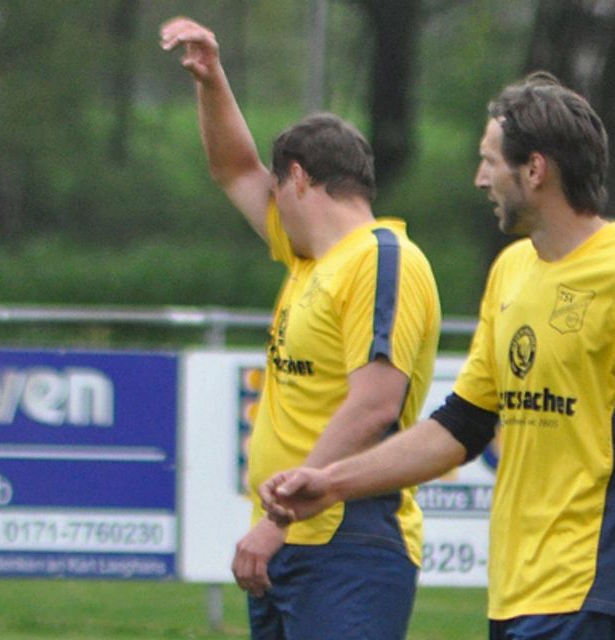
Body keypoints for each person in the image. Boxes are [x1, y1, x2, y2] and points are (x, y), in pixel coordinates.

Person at [260, 72, 615, 640]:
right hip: (515, 597)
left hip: (597, 595)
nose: (480, 178)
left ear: (535, 170)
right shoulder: (511, 271)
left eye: (490, 161)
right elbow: (461, 426)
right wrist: (332, 483)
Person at [159, 17, 441, 640]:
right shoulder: (311, 257)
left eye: (276, 184)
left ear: (300, 180)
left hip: (346, 542)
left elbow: (374, 405)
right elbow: (233, 168)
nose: (266, 196)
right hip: (290, 542)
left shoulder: (380, 258)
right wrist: (210, 79)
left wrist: (277, 519)